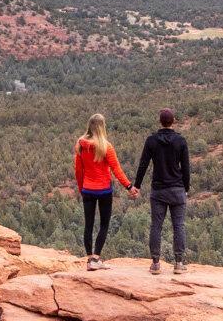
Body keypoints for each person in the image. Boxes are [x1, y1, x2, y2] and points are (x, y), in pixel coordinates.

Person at [73, 113, 138, 271]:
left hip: (88, 189)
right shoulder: (105, 146)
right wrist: (129, 187)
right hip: (103, 190)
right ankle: (96, 258)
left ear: (89, 125)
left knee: (88, 225)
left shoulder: (81, 145)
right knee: (104, 224)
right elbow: (116, 169)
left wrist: (82, 189)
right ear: (102, 127)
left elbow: (78, 171)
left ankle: (89, 260)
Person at [134, 108, 190, 275]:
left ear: (160, 121)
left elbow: (143, 164)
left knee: (156, 226)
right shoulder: (180, 141)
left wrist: (137, 185)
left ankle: (156, 264)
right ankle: (179, 263)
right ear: (173, 121)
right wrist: (185, 188)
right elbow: (186, 167)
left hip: (158, 191)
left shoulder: (151, 141)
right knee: (178, 226)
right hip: (177, 190)